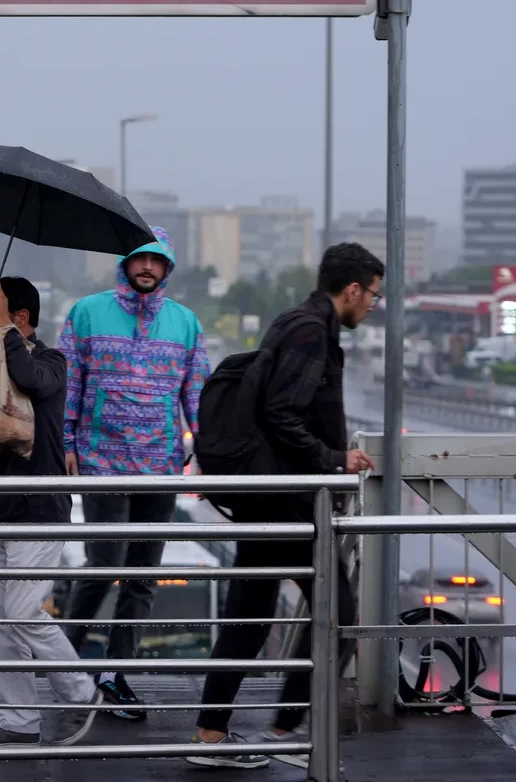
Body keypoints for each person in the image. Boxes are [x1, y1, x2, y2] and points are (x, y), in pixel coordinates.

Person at [187, 242, 383, 770]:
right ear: (352, 289)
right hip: (287, 499)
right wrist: (335, 458)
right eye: (373, 296)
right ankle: (283, 731)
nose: (372, 306)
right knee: (337, 613)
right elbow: (281, 413)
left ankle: (217, 734)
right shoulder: (310, 332)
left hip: (272, 496)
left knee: (248, 617)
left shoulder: (296, 323)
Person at [58, 226, 211, 719]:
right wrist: (66, 440)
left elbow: (197, 393)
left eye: (157, 261)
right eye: (139, 259)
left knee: (142, 578)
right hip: (102, 460)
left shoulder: (185, 322)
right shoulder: (86, 313)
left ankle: (115, 675)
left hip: (162, 466)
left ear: (167, 269)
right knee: (103, 568)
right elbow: (69, 382)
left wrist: (204, 447)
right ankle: (63, 669)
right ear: (124, 264)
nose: (147, 268)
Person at [0, 277, 101, 750]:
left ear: (19, 319)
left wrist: (4, 334)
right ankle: (19, 719)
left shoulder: (50, 362)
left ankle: (81, 693)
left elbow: (31, 382)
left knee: (22, 610)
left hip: (38, 511)